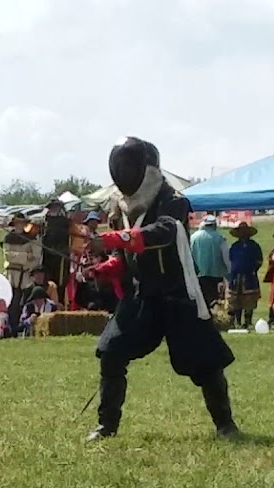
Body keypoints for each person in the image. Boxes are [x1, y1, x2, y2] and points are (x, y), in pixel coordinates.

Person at [87, 136, 237, 441]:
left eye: (128, 166)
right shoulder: (123, 208)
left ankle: (225, 424)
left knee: (205, 362)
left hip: (177, 293)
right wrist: (104, 269)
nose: (122, 172)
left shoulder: (173, 200)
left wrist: (116, 239)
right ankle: (107, 426)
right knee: (111, 352)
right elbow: (126, 257)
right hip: (143, 296)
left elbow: (165, 232)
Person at [2, 214, 43, 324]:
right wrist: (25, 256)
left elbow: (36, 257)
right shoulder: (8, 238)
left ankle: (23, 324)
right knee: (11, 302)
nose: (19, 225)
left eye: (21, 222)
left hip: (26, 276)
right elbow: (7, 256)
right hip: (11, 275)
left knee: (24, 302)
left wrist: (21, 259)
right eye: (17, 222)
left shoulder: (31, 239)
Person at [226, 222, 263, 329]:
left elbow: (259, 261)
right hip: (236, 277)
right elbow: (231, 260)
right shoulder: (234, 246)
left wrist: (252, 270)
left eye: (245, 231)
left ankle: (247, 321)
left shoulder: (254, 246)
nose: (243, 234)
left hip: (249, 277)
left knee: (249, 300)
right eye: (241, 231)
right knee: (236, 300)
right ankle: (237, 321)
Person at [189, 214, 230, 309]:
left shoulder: (193, 237)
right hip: (216, 275)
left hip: (198, 275)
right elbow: (226, 258)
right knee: (215, 302)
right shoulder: (220, 238)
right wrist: (229, 272)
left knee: (201, 302)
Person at [39, 198, 71, 296]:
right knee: (47, 280)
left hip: (61, 256)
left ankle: (60, 302)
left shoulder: (66, 222)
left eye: (57, 207)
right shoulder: (43, 222)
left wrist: (64, 250)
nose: (54, 209)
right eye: (52, 207)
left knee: (60, 281)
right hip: (47, 255)